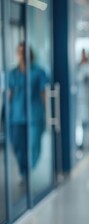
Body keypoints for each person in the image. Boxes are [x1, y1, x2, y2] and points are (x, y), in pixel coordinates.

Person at [8, 42, 48, 177]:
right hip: (17, 117)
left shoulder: (38, 72)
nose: (22, 56)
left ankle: (29, 169)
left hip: (34, 116)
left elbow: (44, 94)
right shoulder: (13, 73)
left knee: (33, 146)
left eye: (25, 52)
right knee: (18, 146)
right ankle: (24, 171)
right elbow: (9, 95)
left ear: (30, 54)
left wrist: (47, 114)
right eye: (20, 52)